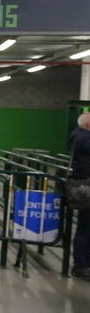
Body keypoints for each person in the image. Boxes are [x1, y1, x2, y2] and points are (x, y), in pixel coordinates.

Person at [69, 112, 90, 281]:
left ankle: (83, 264)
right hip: (87, 187)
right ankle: (81, 265)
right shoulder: (84, 139)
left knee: (85, 226)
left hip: (84, 186)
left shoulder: (78, 136)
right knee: (85, 227)